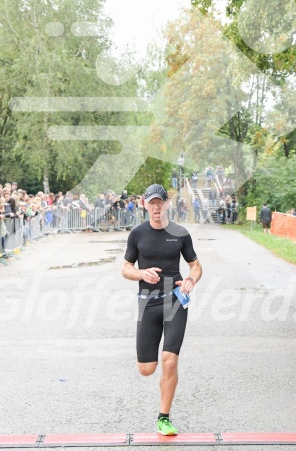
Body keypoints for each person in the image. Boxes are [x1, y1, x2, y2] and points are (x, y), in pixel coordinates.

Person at [122, 184, 202, 436]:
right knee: (147, 369)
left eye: (160, 202)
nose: (156, 208)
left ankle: (163, 417)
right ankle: (159, 377)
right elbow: (125, 267)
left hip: (175, 300)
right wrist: (140, 272)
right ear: (145, 205)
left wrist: (191, 280)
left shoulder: (180, 233)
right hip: (148, 302)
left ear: (168, 203)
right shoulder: (137, 234)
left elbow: (196, 265)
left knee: (170, 361)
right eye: (151, 203)